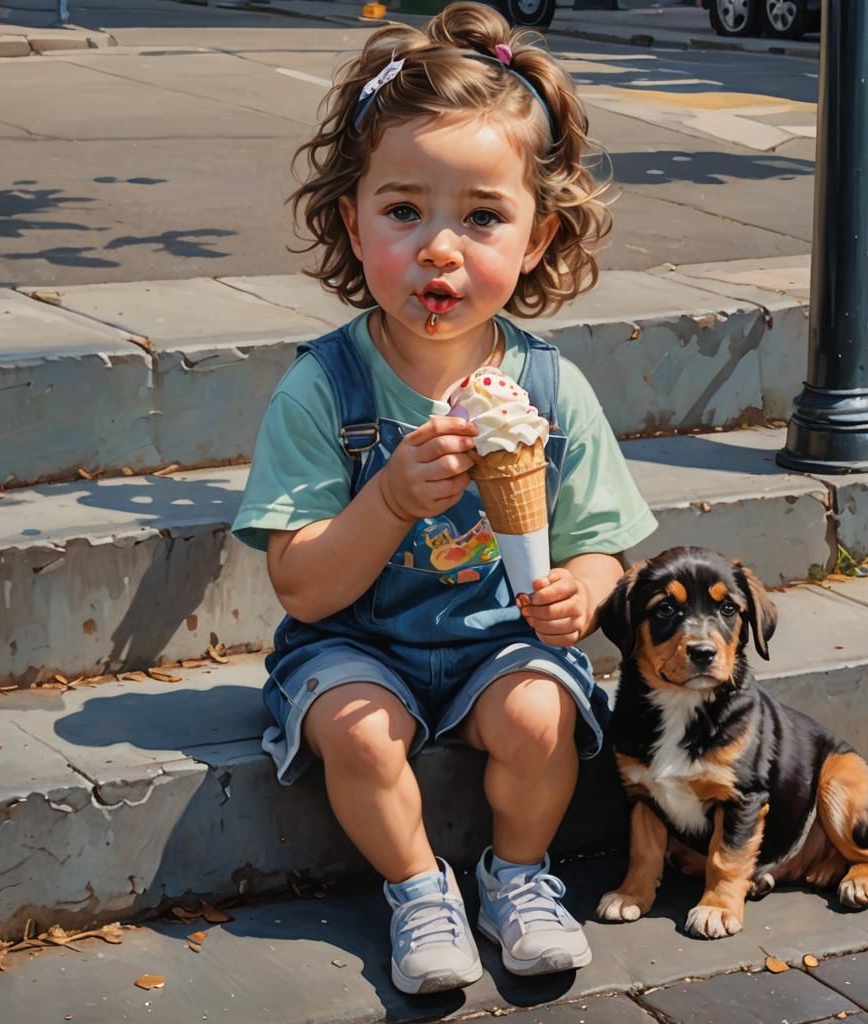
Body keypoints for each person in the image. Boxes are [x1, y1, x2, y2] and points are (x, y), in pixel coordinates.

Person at [232, 1, 657, 996]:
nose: (439, 247)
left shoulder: (553, 389)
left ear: (538, 232)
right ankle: (419, 887)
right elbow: (300, 587)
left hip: (493, 638)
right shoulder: (322, 391)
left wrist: (581, 595)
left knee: (545, 707)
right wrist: (385, 498)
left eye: (480, 215)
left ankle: (516, 876)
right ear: (352, 218)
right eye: (403, 210)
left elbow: (603, 547)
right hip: (358, 642)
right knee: (359, 727)